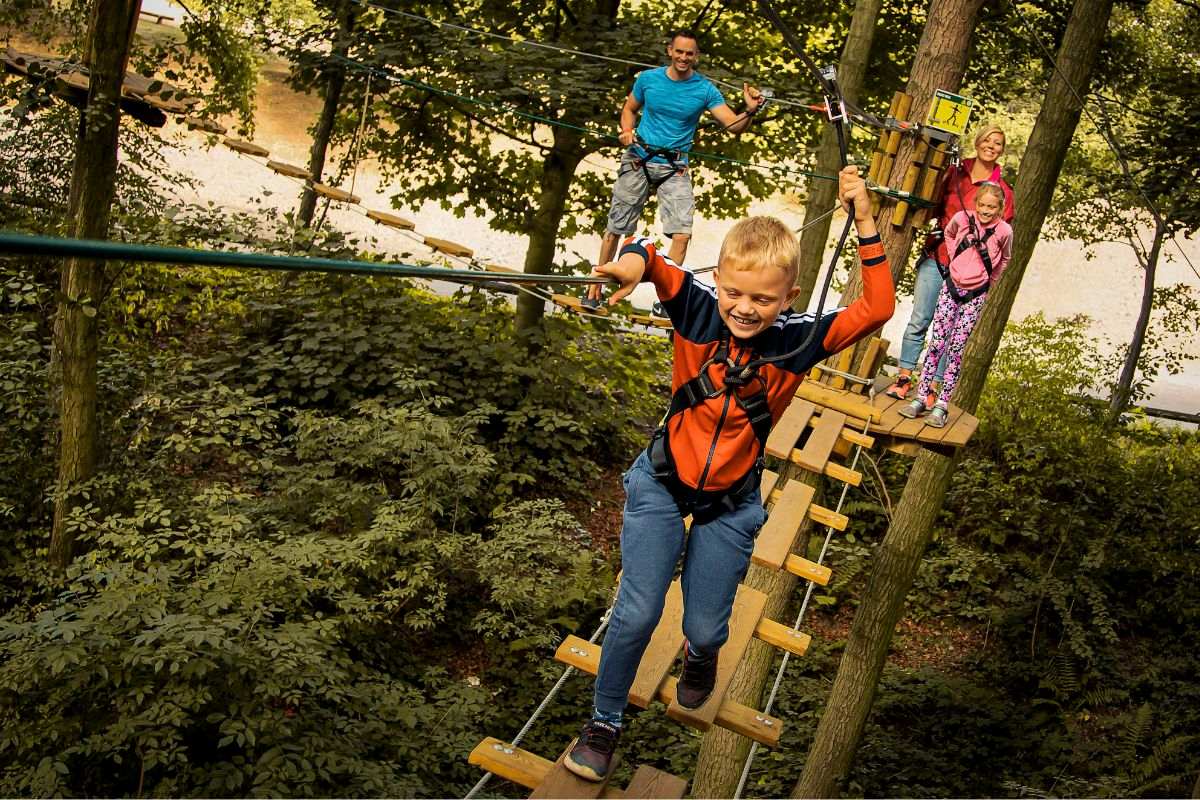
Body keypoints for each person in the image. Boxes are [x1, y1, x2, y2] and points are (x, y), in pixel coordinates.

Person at [564, 166, 895, 782]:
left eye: (763, 299)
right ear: (717, 279)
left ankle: (701, 654)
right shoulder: (695, 307)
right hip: (663, 483)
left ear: (789, 297)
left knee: (705, 626)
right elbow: (650, 255)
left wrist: (866, 220)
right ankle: (604, 722)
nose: (744, 308)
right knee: (638, 611)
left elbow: (878, 306)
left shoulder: (801, 340)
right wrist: (629, 268)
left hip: (730, 500)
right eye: (734, 293)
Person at [594, 29, 764, 275]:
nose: (683, 58)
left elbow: (733, 126)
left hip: (674, 167)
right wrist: (627, 130)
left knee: (682, 235)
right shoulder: (648, 79)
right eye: (679, 52)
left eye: (689, 54)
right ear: (670, 51)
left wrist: (750, 110)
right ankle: (596, 285)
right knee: (616, 229)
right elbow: (629, 109)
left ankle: (667, 290)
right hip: (639, 158)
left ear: (696, 56)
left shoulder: (705, 90)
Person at [884, 124, 1015, 405]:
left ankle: (931, 388)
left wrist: (988, 277)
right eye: (987, 140)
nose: (991, 146)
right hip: (938, 256)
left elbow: (1001, 239)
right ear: (977, 143)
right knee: (920, 318)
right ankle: (904, 378)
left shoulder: (1002, 191)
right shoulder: (955, 173)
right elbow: (933, 204)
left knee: (951, 331)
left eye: (997, 143)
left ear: (1002, 150)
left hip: (970, 272)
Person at [898, 182, 1012, 427]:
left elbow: (1005, 258)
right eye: (982, 205)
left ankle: (942, 404)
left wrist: (990, 280)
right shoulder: (962, 219)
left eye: (992, 207)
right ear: (976, 203)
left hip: (975, 294)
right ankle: (921, 397)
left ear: (1000, 208)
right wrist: (953, 259)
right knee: (937, 343)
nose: (986, 210)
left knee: (956, 348)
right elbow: (948, 234)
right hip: (951, 287)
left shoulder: (1004, 231)